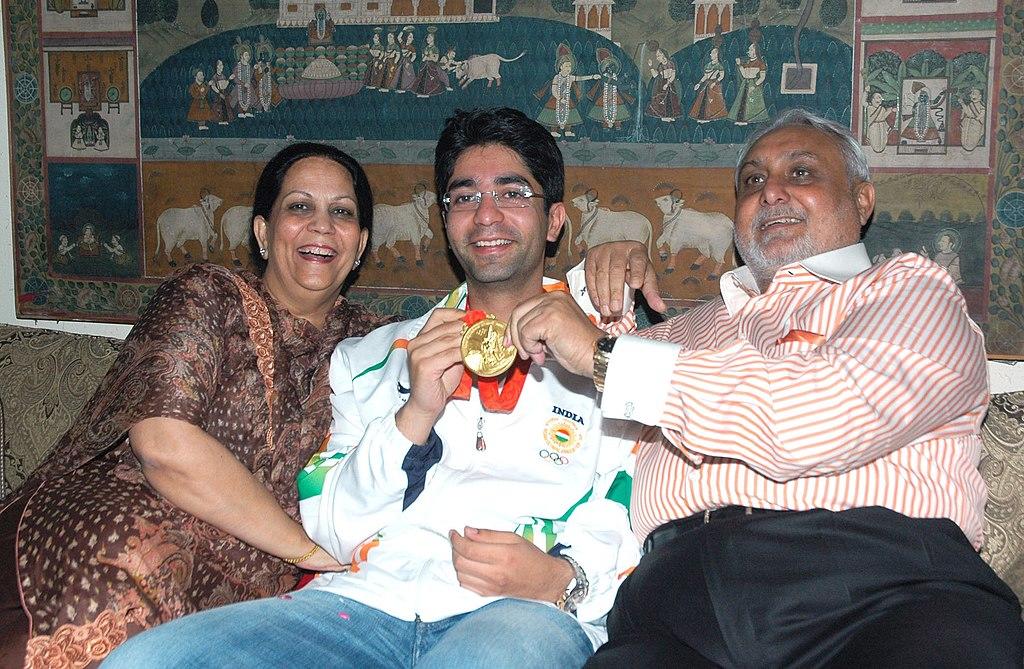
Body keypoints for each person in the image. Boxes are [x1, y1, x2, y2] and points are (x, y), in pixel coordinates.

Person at [103, 107, 641, 669]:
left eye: (511, 193)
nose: (485, 215)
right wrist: (415, 413)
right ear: (445, 220)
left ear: (554, 220)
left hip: (518, 615)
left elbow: (636, 502)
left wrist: (565, 578)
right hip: (360, 607)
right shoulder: (367, 356)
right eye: (463, 197)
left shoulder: (610, 355)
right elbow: (331, 528)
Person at [503, 108, 1024, 666]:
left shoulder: (912, 289)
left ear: (862, 201)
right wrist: (590, 291)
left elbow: (814, 420)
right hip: (675, 610)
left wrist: (604, 356)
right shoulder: (676, 333)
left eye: (801, 173)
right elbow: (549, 443)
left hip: (883, 590)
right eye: (752, 181)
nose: (771, 192)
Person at [0, 142, 394, 667]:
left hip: (258, 576)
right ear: (261, 230)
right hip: (134, 517)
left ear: (361, 241)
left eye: (341, 212)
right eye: (299, 207)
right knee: (143, 547)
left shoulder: (381, 345)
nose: (321, 226)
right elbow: (163, 444)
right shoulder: (206, 294)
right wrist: (310, 554)